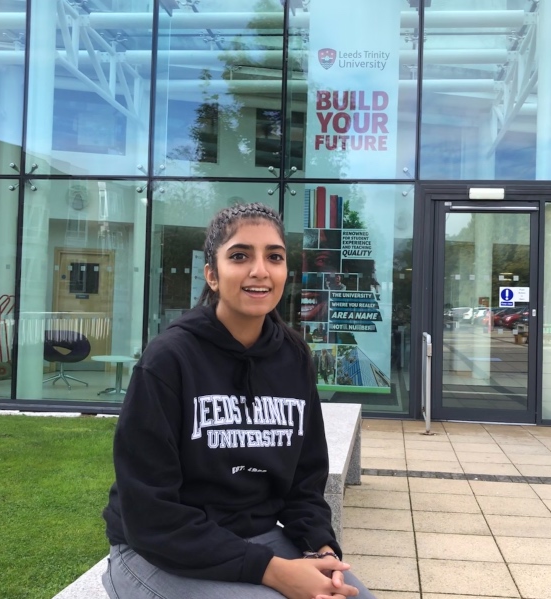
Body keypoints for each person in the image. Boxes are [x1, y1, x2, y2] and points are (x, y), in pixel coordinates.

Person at [101, 203, 376, 599]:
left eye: (274, 257)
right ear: (212, 274)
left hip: (257, 539)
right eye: (240, 256)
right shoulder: (170, 359)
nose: (260, 270)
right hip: (156, 550)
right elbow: (150, 511)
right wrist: (274, 572)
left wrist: (320, 549)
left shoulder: (294, 357)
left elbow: (305, 482)